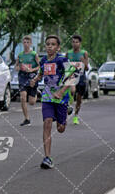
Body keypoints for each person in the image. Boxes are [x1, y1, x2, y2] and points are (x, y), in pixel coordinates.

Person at [30, 35, 74, 169]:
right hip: (47, 96)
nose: (50, 46)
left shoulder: (62, 59)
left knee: (60, 129)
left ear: (58, 47)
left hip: (61, 98)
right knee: (47, 122)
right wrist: (35, 79)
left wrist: (61, 91)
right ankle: (47, 158)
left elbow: (72, 76)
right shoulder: (43, 60)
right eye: (48, 44)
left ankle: (66, 111)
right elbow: (41, 74)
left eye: (53, 44)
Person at [15, 35, 40, 126]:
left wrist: (32, 70)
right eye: (24, 42)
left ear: (30, 43)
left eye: (27, 42)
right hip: (22, 77)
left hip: (32, 77)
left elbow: (39, 66)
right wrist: (19, 68)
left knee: (32, 102)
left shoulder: (34, 54)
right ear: (23, 43)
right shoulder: (20, 55)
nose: (26, 44)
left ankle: (36, 92)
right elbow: (16, 66)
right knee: (22, 97)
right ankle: (26, 118)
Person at [66, 34, 89, 125]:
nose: (75, 44)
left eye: (77, 42)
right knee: (72, 90)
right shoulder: (68, 53)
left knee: (79, 99)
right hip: (71, 75)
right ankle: (70, 101)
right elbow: (64, 65)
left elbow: (87, 68)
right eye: (73, 42)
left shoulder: (84, 53)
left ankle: (75, 116)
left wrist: (83, 61)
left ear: (80, 43)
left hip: (81, 76)